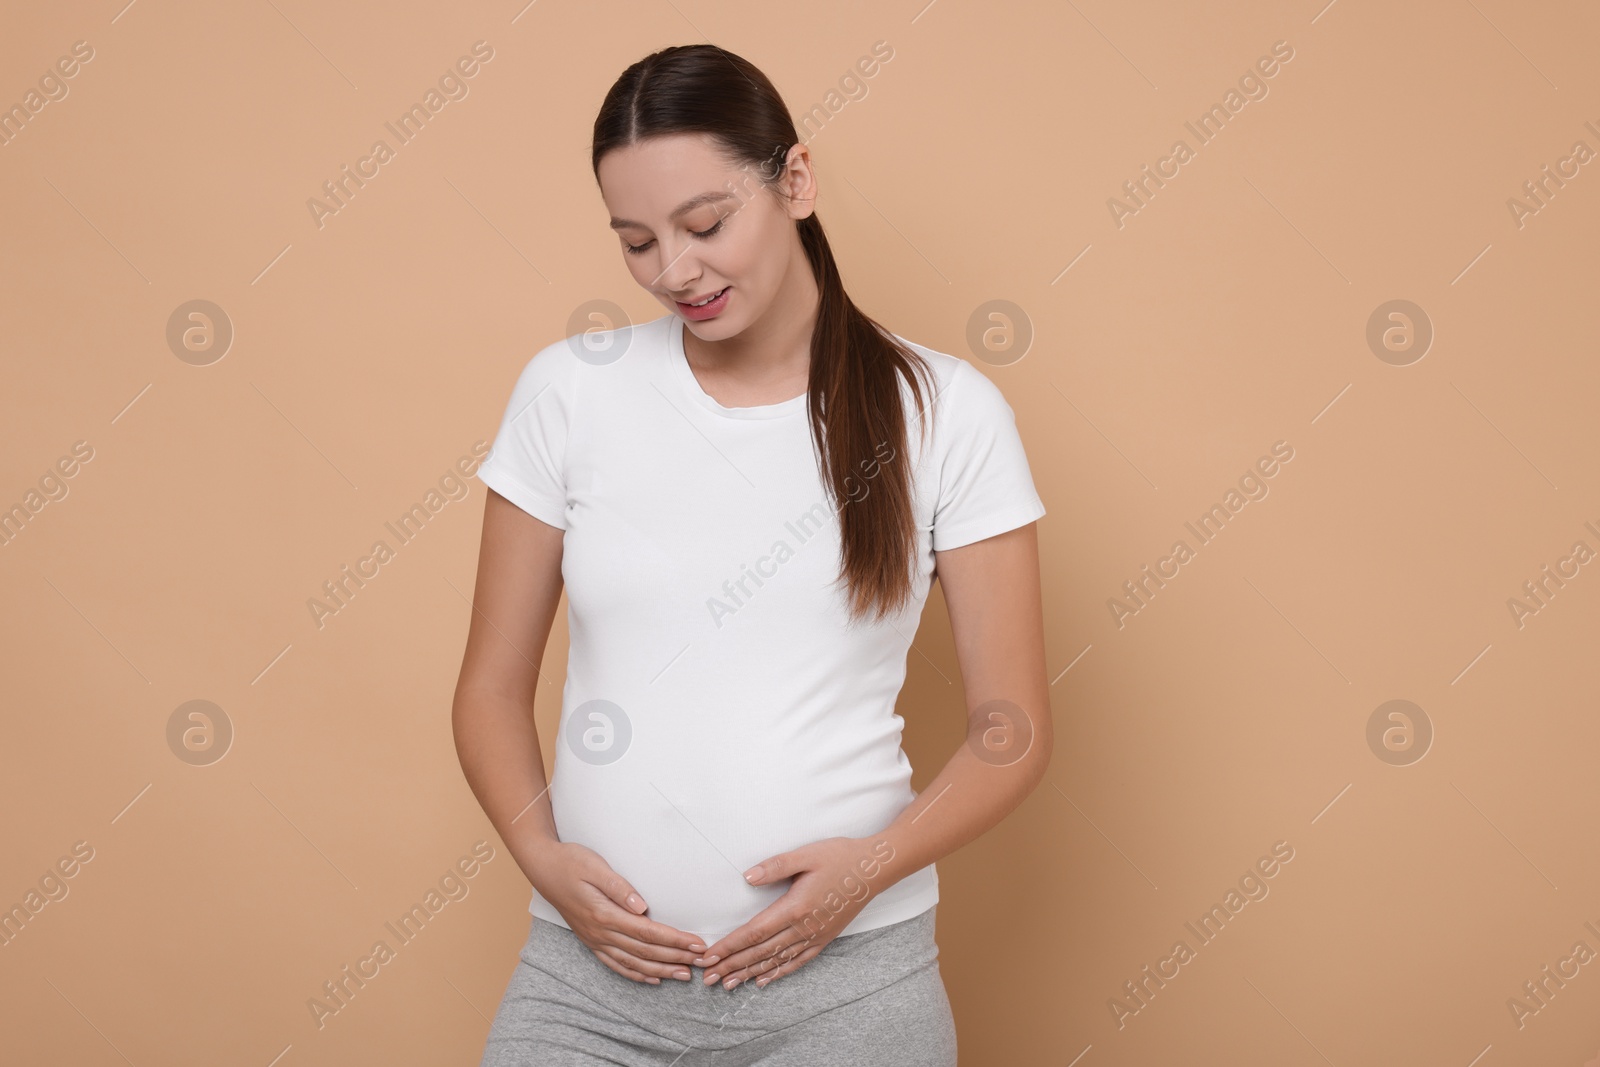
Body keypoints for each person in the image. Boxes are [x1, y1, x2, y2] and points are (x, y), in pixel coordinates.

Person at [454, 42, 1051, 1067]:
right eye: (636, 241)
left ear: (796, 181)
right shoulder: (570, 391)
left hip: (847, 995)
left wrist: (869, 869)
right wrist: (540, 857)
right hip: (588, 986)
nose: (674, 272)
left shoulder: (945, 412)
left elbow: (1012, 727)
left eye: (705, 224)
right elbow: (488, 691)